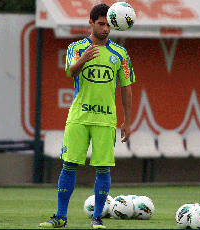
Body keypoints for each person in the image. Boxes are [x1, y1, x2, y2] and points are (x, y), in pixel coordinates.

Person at [39, 3, 135, 229]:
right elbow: (70, 71)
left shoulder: (120, 54)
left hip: (105, 120)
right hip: (79, 117)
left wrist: (127, 121)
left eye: (108, 25)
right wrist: (84, 59)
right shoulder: (77, 47)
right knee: (69, 164)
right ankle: (60, 217)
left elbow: (126, 87)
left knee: (103, 168)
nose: (105, 29)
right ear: (91, 23)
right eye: (100, 24)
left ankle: (97, 218)